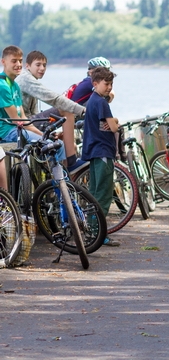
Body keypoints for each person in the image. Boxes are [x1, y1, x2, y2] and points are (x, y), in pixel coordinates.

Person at [16, 50, 86, 171]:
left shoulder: (30, 80)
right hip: (22, 125)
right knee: (66, 110)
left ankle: (67, 181)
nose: (42, 68)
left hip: (28, 122)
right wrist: (83, 110)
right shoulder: (25, 79)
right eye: (38, 65)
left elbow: (34, 113)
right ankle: (72, 163)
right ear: (27, 66)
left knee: (69, 144)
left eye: (44, 65)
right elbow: (54, 98)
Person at [81, 66, 120, 247]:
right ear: (95, 83)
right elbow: (112, 127)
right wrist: (116, 122)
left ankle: (91, 231)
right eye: (106, 84)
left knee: (94, 193)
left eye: (111, 83)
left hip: (93, 152)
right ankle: (99, 234)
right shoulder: (102, 103)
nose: (109, 87)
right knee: (103, 195)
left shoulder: (92, 100)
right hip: (103, 151)